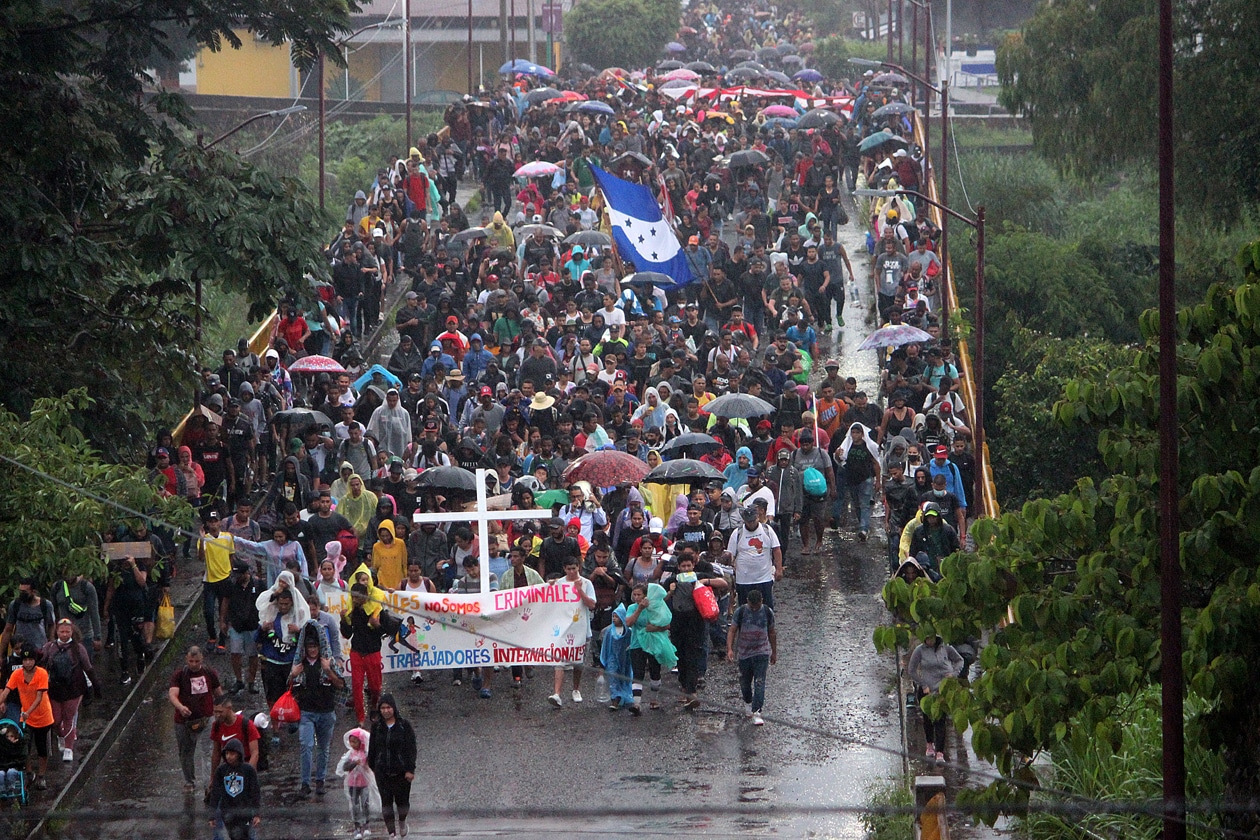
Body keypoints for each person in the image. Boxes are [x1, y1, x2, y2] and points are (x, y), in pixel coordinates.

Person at [290, 621, 345, 798]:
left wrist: (328, 671)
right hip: (306, 712)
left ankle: (320, 781)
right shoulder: (299, 665)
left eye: (315, 646)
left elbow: (341, 685)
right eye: (309, 647)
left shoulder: (327, 662)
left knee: (323, 748)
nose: (312, 650)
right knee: (306, 746)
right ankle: (305, 783)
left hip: (327, 712)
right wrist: (293, 675)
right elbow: (288, 688)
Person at [40, 619, 97, 763]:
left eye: (67, 631)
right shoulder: (49, 647)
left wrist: (96, 686)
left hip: (74, 689)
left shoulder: (78, 648)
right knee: (56, 720)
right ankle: (61, 736)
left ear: (72, 632)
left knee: (69, 718)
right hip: (54, 689)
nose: (64, 634)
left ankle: (69, 748)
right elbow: (40, 664)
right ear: (56, 632)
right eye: (61, 631)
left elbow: (88, 667)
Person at [168, 645, 224, 791]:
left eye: (197, 661)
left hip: (206, 719)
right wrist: (180, 707)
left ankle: (209, 785)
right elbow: (173, 694)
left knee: (208, 752)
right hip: (184, 722)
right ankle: (189, 781)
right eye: (191, 661)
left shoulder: (209, 673)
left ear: (202, 660)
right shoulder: (179, 675)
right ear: (187, 659)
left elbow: (219, 694)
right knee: (186, 752)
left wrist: (223, 712)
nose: (194, 664)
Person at [0, 646, 54, 789]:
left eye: (31, 660)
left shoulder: (41, 673)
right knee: (24, 747)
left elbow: (39, 697)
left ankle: (41, 776)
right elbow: (6, 691)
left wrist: (28, 712)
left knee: (42, 748)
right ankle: (29, 773)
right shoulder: (17, 674)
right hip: (26, 718)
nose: (28, 663)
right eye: (25, 660)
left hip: (42, 717)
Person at [546, 559, 596, 708]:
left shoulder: (587, 583)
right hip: (562, 629)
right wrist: (548, 587)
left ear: (578, 567)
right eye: (568, 569)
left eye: (574, 568)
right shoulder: (559, 583)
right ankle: (557, 693)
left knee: (578, 661)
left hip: (581, 628)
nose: (572, 572)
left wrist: (579, 590)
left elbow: (592, 604)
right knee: (559, 661)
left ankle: (576, 689)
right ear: (564, 568)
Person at [907, 636, 965, 765]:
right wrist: (923, 684)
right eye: (927, 639)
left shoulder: (946, 647)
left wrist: (954, 674)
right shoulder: (919, 650)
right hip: (927, 690)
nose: (929, 642)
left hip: (942, 691)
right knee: (928, 719)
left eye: (931, 639)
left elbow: (959, 660)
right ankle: (929, 744)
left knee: (940, 719)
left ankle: (940, 752)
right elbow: (911, 670)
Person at [367, 693, 416, 839]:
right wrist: (373, 766)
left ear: (393, 708)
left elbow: (411, 748)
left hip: (401, 773)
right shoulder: (376, 727)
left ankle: (402, 821)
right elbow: (373, 748)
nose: (386, 710)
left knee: (403, 804)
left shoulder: (404, 726)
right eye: (382, 708)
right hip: (382, 773)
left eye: (388, 707)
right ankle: (392, 833)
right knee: (386, 804)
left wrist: (410, 769)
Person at [624, 583, 677, 714]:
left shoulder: (655, 607)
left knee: (655, 671)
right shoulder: (632, 607)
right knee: (638, 672)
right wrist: (639, 609)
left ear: (646, 596)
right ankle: (636, 704)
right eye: (634, 595)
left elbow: (667, 624)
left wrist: (656, 628)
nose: (636, 597)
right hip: (637, 643)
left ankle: (654, 699)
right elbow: (629, 623)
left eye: (639, 595)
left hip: (654, 643)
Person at [728, 588, 776, 726]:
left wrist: (774, 652)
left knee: (759, 682)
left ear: (762, 601)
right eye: (752, 606)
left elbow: (772, 632)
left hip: (762, 652)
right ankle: (748, 702)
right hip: (744, 654)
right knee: (745, 682)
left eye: (757, 606)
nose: (754, 609)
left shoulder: (767, 612)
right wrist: (730, 649)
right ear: (747, 602)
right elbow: (732, 630)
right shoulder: (741, 612)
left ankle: (757, 711)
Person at [341, 584, 384, 726]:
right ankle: (360, 718)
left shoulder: (377, 610)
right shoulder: (352, 612)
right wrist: (343, 620)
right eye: (353, 597)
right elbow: (347, 634)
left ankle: (373, 705)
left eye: (357, 597)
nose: (355, 600)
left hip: (373, 651)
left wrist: (377, 625)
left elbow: (384, 633)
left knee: (375, 686)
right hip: (357, 652)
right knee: (357, 686)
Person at [206, 737, 262, 840]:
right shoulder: (221, 770)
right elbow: (215, 794)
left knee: (247, 836)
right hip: (228, 812)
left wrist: (256, 813)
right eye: (227, 753)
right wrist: (212, 815)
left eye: (232, 754)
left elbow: (255, 792)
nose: (229, 757)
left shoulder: (248, 770)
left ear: (239, 754)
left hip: (245, 811)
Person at [728, 506, 783, 609]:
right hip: (744, 580)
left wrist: (779, 569)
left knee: (767, 608)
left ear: (758, 517)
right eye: (748, 521)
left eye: (753, 520)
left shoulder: (767, 530)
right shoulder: (737, 533)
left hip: (764, 578)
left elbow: (776, 549)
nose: (751, 523)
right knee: (744, 608)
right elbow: (731, 555)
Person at [336, 727, 378, 840]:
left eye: (355, 741)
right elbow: (345, 767)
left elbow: (371, 764)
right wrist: (354, 764)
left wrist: (367, 766)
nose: (352, 744)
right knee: (354, 805)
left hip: (364, 783)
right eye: (351, 742)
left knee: (365, 804)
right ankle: (357, 826)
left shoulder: (365, 753)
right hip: (352, 783)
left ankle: (366, 824)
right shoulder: (350, 754)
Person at [0, 579, 55, 659]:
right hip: (19, 651)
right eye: (20, 592)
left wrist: (51, 646)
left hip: (40, 650)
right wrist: (1, 655)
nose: (22, 595)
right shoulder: (15, 605)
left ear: (33, 591)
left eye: (25, 592)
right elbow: (8, 629)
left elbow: (51, 625)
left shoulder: (46, 605)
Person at [208, 695, 261, 778]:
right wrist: (213, 777)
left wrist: (247, 774)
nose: (217, 715)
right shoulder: (216, 726)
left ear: (229, 708)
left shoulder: (246, 724)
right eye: (215, 712)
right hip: (228, 769)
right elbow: (216, 753)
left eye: (220, 712)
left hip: (245, 764)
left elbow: (255, 753)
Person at [599, 604, 635, 711]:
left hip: (625, 660)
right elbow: (605, 647)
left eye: (617, 616)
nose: (614, 619)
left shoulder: (628, 631)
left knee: (624, 678)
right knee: (613, 677)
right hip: (612, 659)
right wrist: (603, 664)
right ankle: (615, 698)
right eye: (613, 617)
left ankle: (623, 696)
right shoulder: (610, 631)